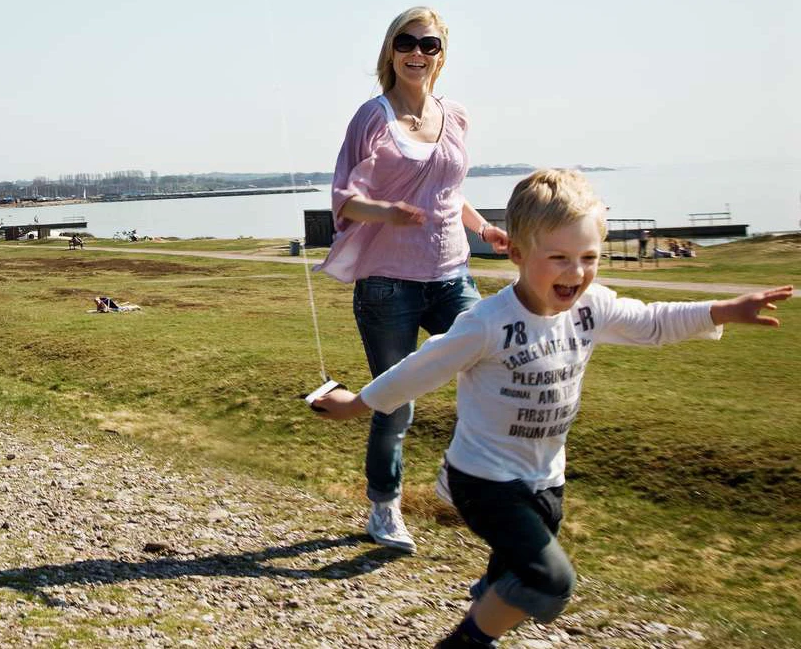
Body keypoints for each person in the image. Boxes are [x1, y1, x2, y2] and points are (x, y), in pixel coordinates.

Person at [312, 170, 790, 648]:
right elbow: (422, 368)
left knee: (509, 584)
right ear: (518, 254)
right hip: (483, 481)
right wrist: (356, 403)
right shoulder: (487, 323)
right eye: (558, 258)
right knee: (550, 581)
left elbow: (652, 321)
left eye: (588, 258)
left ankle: (487, 613)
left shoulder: (590, 308)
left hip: (546, 479)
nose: (576, 273)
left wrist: (726, 309)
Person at [320, 6, 510, 552]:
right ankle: (385, 509)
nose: (417, 53)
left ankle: (461, 474)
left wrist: (484, 229)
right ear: (390, 50)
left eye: (428, 45)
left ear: (441, 56)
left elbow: (449, 190)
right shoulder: (371, 118)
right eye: (407, 42)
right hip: (388, 283)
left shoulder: (456, 116)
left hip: (451, 272)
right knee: (394, 401)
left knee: (494, 363)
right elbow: (345, 200)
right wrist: (388, 213)